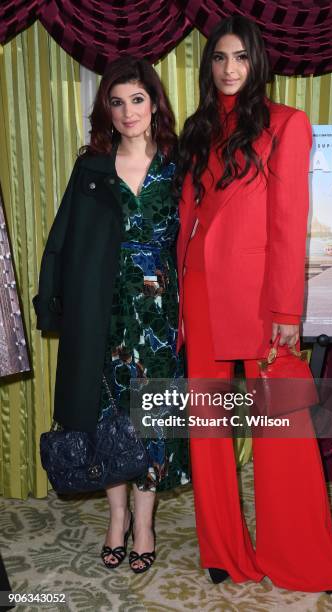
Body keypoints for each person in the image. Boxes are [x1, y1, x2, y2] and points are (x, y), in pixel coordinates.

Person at [175, 16, 332, 592]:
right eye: (220, 58)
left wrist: (286, 311)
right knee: (207, 425)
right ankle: (221, 549)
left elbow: (288, 224)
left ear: (257, 63)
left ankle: (301, 554)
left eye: (240, 58)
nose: (230, 69)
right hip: (201, 288)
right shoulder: (198, 126)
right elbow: (190, 216)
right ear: (211, 67)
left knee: (284, 427)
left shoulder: (287, 124)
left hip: (259, 300)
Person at [34, 56, 189, 574]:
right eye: (117, 103)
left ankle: (145, 524)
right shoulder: (91, 167)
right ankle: (117, 518)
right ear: (107, 110)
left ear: (154, 102)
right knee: (106, 422)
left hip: (161, 321)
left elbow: (199, 240)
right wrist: (51, 301)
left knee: (150, 425)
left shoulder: (177, 163)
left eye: (137, 100)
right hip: (102, 314)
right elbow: (61, 240)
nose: (128, 112)